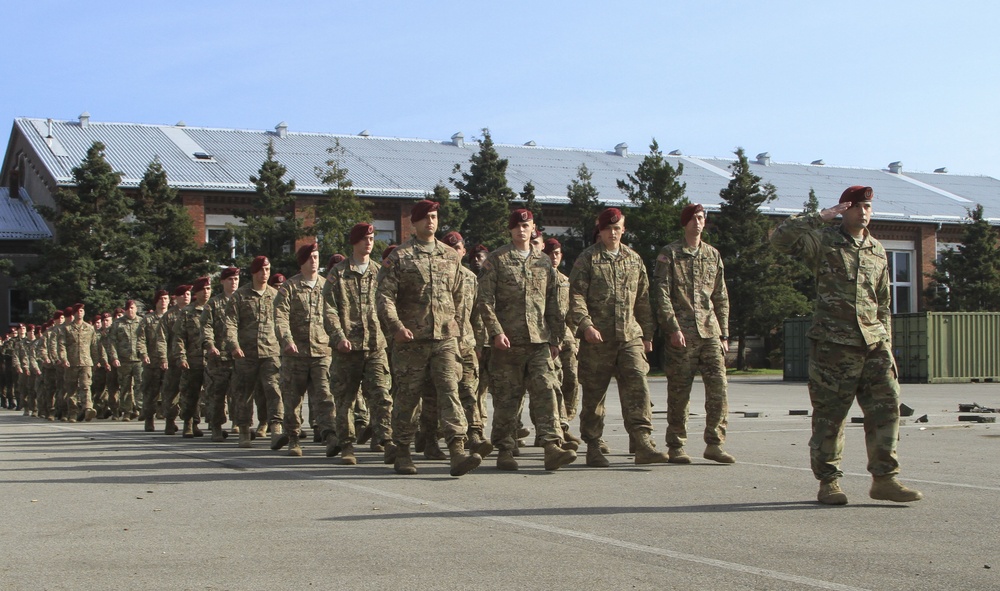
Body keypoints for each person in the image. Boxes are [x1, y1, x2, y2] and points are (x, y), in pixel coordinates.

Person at [770, 185, 923, 505]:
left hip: (873, 342)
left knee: (887, 406)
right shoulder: (824, 241)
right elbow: (780, 239)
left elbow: (883, 302)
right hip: (833, 345)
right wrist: (819, 216)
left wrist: (888, 345)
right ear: (844, 209)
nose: (863, 212)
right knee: (830, 416)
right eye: (856, 206)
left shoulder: (878, 250)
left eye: (867, 207)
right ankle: (829, 482)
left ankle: (885, 478)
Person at [376, 200, 482, 476]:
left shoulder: (450, 256)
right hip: (411, 340)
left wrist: (457, 326)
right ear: (414, 222)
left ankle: (457, 451)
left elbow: (460, 295)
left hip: (445, 338)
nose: (431, 222)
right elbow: (384, 297)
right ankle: (402, 450)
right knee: (408, 397)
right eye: (425, 218)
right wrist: (396, 327)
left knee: (450, 390)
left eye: (434, 217)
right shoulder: (400, 257)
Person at [568, 207, 669, 467]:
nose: (613, 233)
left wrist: (647, 333)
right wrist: (586, 325)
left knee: (638, 384)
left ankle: (642, 441)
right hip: (597, 339)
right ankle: (593, 445)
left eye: (617, 228)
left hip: (629, 335)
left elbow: (644, 299)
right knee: (594, 394)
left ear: (623, 229)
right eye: (608, 229)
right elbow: (576, 296)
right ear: (599, 231)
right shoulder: (587, 259)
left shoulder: (634, 259)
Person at [478, 210, 575, 471]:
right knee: (508, 397)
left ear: (533, 228)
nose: (522, 230)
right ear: (510, 230)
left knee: (546, 390)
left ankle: (551, 445)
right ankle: (505, 449)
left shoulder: (543, 262)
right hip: (508, 342)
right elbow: (485, 301)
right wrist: (496, 332)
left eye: (527, 225)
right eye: (517, 226)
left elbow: (554, 303)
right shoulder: (496, 260)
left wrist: (556, 338)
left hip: (539, 340)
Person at [653, 203, 735, 465]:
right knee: (679, 391)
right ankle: (676, 444)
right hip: (683, 334)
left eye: (701, 218)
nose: (697, 223)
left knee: (718, 388)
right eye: (692, 219)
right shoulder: (670, 254)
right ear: (684, 223)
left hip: (710, 331)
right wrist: (672, 328)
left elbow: (721, 295)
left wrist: (723, 333)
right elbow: (661, 294)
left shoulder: (712, 255)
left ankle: (715, 442)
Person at [325, 224, 395, 464]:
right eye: (365, 238)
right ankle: (347, 446)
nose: (369, 242)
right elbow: (329, 309)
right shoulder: (339, 273)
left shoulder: (380, 272)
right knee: (345, 399)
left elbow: (390, 305)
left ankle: (386, 441)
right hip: (348, 349)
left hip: (376, 345)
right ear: (354, 242)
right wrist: (338, 337)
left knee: (381, 395)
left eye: (372, 238)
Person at [273, 242, 335, 457]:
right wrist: (287, 340)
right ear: (302, 261)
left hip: (322, 352)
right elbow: (280, 317)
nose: (314, 261)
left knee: (325, 396)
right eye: (310, 257)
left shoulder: (327, 286)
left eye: (317, 256)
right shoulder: (289, 287)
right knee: (293, 398)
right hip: (295, 354)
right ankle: (293, 438)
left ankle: (330, 435)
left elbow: (334, 315)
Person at [441, 230, 493, 458]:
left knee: (470, 392)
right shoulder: (439, 275)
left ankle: (474, 434)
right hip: (442, 345)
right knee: (443, 394)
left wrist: (478, 344)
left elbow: (477, 315)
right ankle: (431, 437)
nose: (455, 252)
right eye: (450, 248)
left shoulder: (471, 278)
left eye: (458, 248)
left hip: (466, 344)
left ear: (463, 251)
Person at [225, 256, 283, 448]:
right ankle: (243, 430)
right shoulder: (240, 296)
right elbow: (231, 323)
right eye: (260, 270)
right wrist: (234, 345)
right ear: (253, 272)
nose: (264, 273)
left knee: (273, 389)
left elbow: (283, 322)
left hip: (271, 351)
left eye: (267, 269)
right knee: (244, 393)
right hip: (246, 353)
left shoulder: (275, 295)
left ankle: (276, 429)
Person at [542, 237, 582, 445]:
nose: (554, 257)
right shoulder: (540, 277)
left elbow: (573, 310)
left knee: (572, 379)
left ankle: (565, 419)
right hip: (548, 336)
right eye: (550, 253)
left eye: (557, 253)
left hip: (567, 336)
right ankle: (559, 427)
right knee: (553, 383)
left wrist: (574, 337)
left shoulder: (565, 280)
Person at [202, 267, 239, 442]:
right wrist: (210, 345)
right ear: (223, 282)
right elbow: (206, 327)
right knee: (217, 394)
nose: (234, 282)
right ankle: (216, 427)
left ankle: (240, 424)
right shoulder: (213, 304)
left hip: (239, 356)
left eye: (236, 279)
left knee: (240, 393)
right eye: (230, 279)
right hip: (219, 357)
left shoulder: (242, 300)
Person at [175, 277, 212, 438]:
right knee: (191, 393)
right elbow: (179, 337)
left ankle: (214, 424)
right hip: (193, 359)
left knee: (213, 393)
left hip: (212, 360)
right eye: (203, 289)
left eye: (209, 288)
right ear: (196, 292)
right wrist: (181, 357)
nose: (206, 292)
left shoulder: (214, 309)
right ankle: (189, 423)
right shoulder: (187, 312)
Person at [58, 303, 99, 422]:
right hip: (72, 363)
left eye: (82, 311)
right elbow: (62, 346)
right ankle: (73, 413)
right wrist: (64, 359)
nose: (80, 313)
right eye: (78, 311)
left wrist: (96, 361)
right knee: (72, 389)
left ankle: (88, 409)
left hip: (86, 362)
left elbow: (94, 346)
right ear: (74, 313)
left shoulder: (89, 328)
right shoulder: (66, 329)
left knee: (86, 386)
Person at [138, 290, 170, 432]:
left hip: (170, 361)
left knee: (170, 393)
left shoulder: (173, 317)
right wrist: (144, 355)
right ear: (156, 301)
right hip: (152, 362)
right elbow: (141, 339)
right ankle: (149, 419)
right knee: (151, 393)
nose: (164, 301)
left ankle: (170, 420)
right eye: (161, 299)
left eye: (166, 298)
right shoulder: (148, 319)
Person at [109, 300, 144, 422]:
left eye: (133, 308)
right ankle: (127, 411)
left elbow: (146, 339)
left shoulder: (141, 322)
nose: (131, 310)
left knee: (140, 384)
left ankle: (140, 408)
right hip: (124, 360)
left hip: (139, 359)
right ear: (125, 310)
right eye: (128, 308)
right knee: (125, 387)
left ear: (136, 309)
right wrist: (114, 357)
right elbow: (112, 342)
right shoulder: (118, 323)